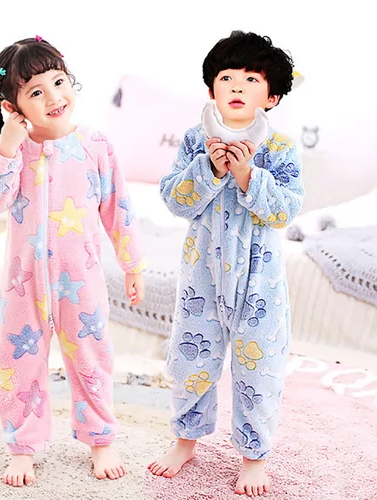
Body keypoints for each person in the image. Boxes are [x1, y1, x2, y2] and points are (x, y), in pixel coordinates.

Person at [0, 36, 146, 487]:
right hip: (22, 286)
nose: (53, 96)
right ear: (12, 107)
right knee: (18, 362)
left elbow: (119, 209)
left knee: (92, 357)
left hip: (81, 280)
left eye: (58, 81)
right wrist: (7, 145)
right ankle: (22, 445)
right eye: (35, 91)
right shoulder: (10, 153)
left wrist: (132, 264)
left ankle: (100, 437)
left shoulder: (95, 144)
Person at [148, 31, 304, 497]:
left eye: (251, 79)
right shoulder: (196, 140)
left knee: (259, 367)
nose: (237, 86)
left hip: (260, 282)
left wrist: (246, 174)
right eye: (227, 77)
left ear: (272, 97)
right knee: (191, 357)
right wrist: (211, 170)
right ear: (211, 89)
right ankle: (185, 440)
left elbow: (284, 211)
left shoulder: (280, 147)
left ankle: (254, 456)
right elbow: (175, 200)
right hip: (203, 277)